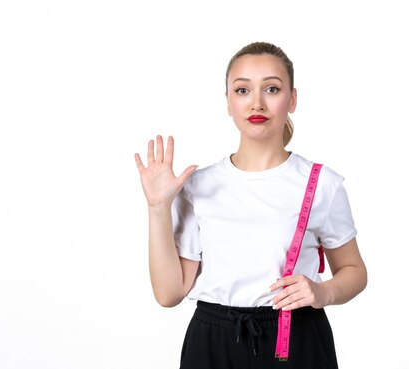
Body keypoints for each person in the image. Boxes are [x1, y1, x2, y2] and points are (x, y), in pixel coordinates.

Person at [134, 42, 367, 368]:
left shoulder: (321, 183)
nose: (257, 102)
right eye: (242, 90)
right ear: (228, 102)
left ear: (293, 99)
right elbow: (169, 294)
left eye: (272, 88)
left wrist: (322, 293)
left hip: (298, 338)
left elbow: (354, 272)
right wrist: (158, 207)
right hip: (212, 343)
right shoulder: (198, 186)